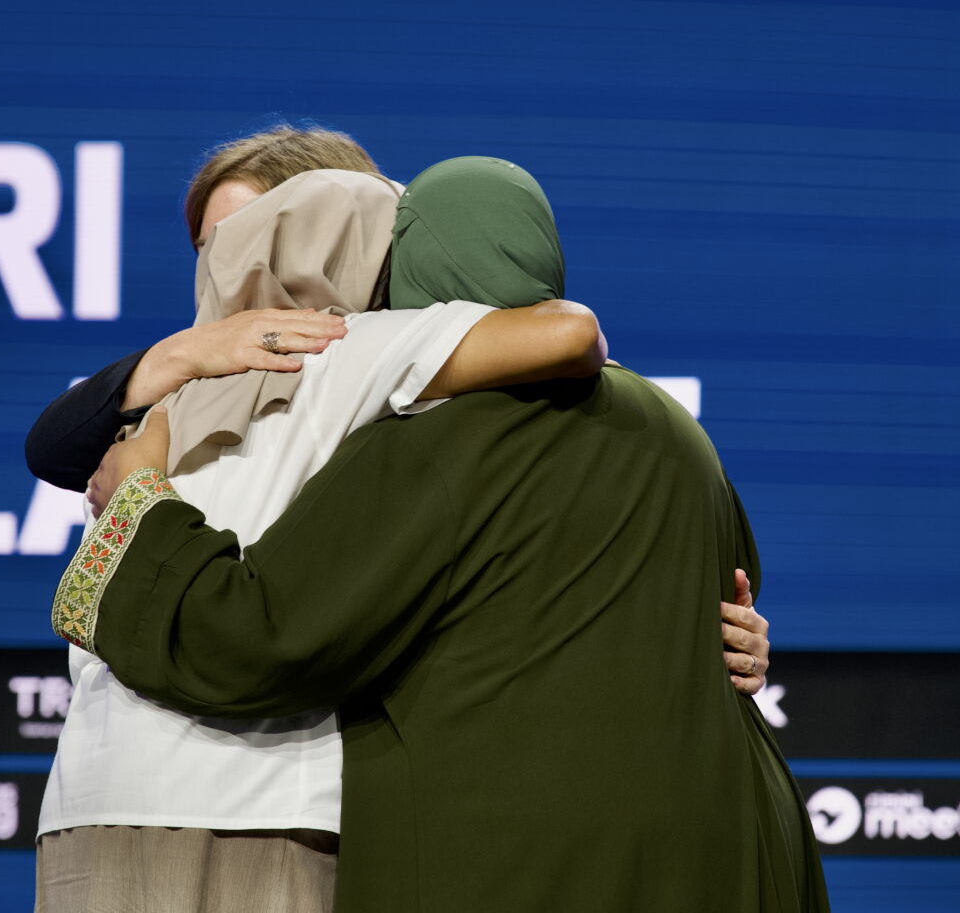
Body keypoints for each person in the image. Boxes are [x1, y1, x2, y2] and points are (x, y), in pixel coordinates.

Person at [60, 156, 827, 911]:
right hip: (733, 842)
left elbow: (265, 636)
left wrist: (137, 506)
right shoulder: (674, 427)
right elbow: (730, 593)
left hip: (525, 854)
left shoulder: (435, 436)